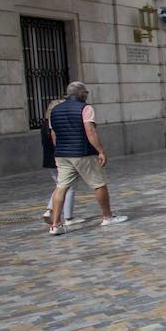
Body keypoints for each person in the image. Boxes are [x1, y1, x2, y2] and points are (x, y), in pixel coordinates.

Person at [46, 82, 127, 234]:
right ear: (81, 93)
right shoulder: (85, 108)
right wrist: (100, 150)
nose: (87, 95)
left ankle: (55, 224)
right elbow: (90, 130)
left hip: (62, 154)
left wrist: (60, 149)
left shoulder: (54, 110)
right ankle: (107, 216)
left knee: (61, 186)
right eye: (86, 93)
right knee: (99, 183)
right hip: (82, 152)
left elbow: (53, 134)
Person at [40, 97, 80, 227]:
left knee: (61, 185)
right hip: (60, 157)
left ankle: (49, 209)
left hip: (49, 158)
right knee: (69, 187)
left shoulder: (44, 124)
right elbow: (56, 140)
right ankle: (68, 217)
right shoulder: (56, 124)